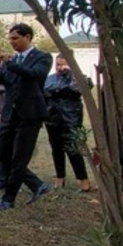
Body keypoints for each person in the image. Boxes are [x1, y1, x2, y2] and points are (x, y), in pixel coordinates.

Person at [0, 23, 54, 211]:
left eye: (15, 38)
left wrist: (11, 64)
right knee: (2, 154)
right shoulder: (11, 62)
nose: (11, 42)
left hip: (30, 115)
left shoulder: (43, 57)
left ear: (28, 37)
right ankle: (37, 185)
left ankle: (9, 199)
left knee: (19, 158)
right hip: (9, 114)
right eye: (10, 39)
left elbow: (34, 75)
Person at [44, 54, 92, 192]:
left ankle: (83, 179)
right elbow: (44, 93)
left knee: (73, 150)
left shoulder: (77, 77)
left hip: (71, 119)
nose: (60, 67)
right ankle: (60, 177)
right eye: (58, 64)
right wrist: (61, 91)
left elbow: (77, 89)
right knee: (56, 150)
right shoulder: (49, 79)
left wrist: (56, 91)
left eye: (63, 64)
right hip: (52, 120)